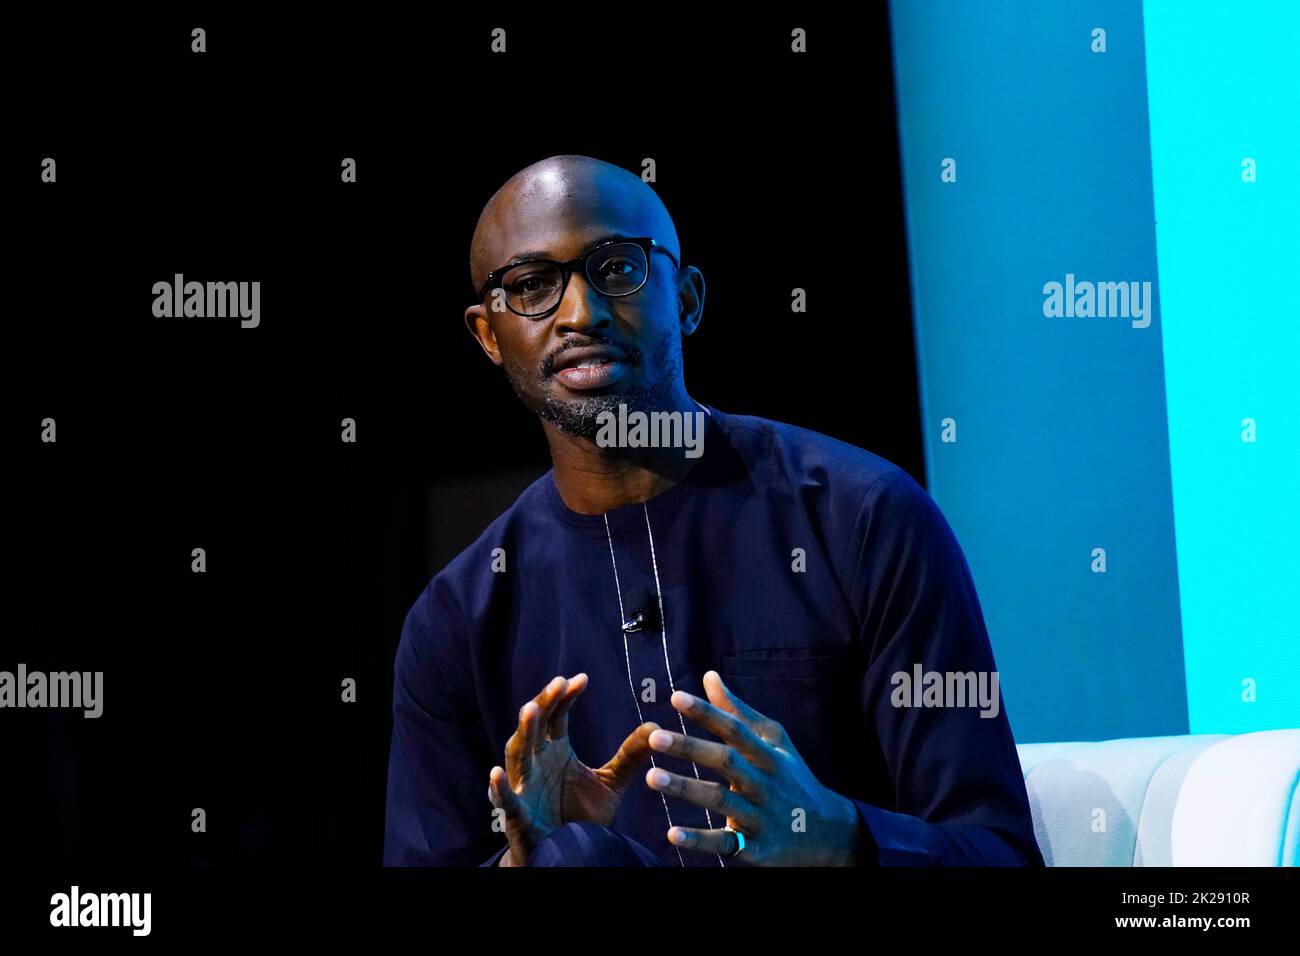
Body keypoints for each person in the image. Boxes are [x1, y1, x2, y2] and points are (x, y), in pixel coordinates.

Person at [382, 154, 1043, 867]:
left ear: (688, 298)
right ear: (488, 335)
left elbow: (998, 851)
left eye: (617, 267)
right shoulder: (457, 620)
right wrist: (527, 860)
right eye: (534, 285)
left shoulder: (864, 520)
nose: (581, 313)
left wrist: (841, 837)